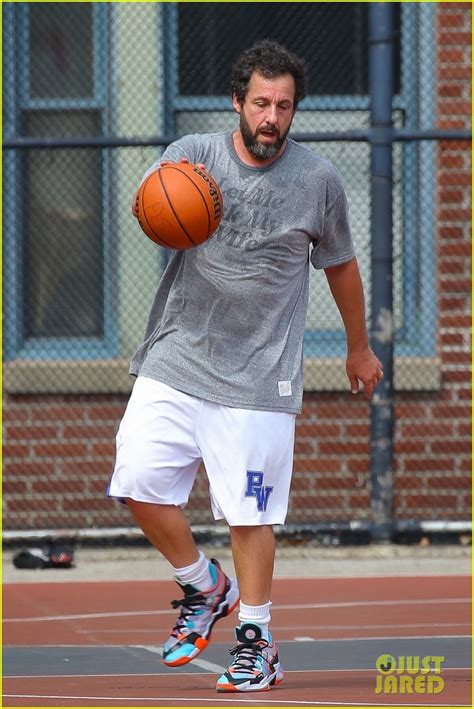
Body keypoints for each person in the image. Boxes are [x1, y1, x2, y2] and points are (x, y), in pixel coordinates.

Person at [108, 39, 383, 693]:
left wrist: (358, 345)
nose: (271, 116)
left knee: (250, 511)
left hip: (261, 371)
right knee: (137, 481)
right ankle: (205, 585)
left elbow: (340, 264)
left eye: (283, 106)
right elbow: (150, 204)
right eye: (261, 102)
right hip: (178, 354)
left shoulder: (317, 180)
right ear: (237, 101)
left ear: (294, 111)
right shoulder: (192, 158)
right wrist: (154, 206)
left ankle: (257, 641)